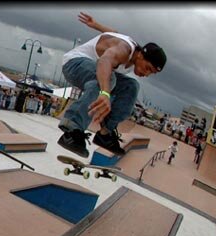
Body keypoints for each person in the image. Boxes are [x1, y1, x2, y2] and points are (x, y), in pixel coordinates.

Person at [57, 12, 166, 158]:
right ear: (140, 55)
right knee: (109, 79)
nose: (146, 74)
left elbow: (114, 33)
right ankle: (72, 128)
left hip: (90, 70)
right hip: (74, 64)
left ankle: (105, 133)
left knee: (131, 86)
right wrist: (105, 93)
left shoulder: (131, 50)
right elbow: (104, 61)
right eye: (147, 68)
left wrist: (95, 24)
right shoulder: (124, 50)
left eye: (151, 73)